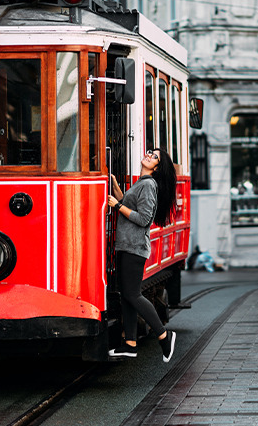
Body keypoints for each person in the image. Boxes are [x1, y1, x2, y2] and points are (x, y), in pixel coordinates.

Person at [107, 148, 178, 362]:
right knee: (127, 295)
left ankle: (165, 336)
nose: (149, 155)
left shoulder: (148, 185)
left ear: (156, 167)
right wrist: (114, 184)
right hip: (127, 245)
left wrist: (117, 206)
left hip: (135, 247)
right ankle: (130, 344)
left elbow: (145, 219)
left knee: (134, 295)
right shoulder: (141, 182)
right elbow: (128, 203)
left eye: (154, 157)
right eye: (150, 152)